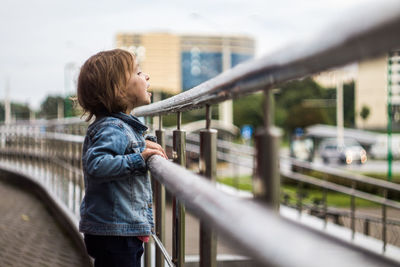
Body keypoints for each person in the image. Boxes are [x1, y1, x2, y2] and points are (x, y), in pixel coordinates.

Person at [77, 49, 168, 267]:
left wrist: (141, 145)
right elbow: (97, 164)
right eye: (138, 73)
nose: (146, 77)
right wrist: (140, 159)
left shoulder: (118, 126)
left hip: (118, 230)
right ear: (118, 89)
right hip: (115, 233)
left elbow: (121, 148)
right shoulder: (112, 127)